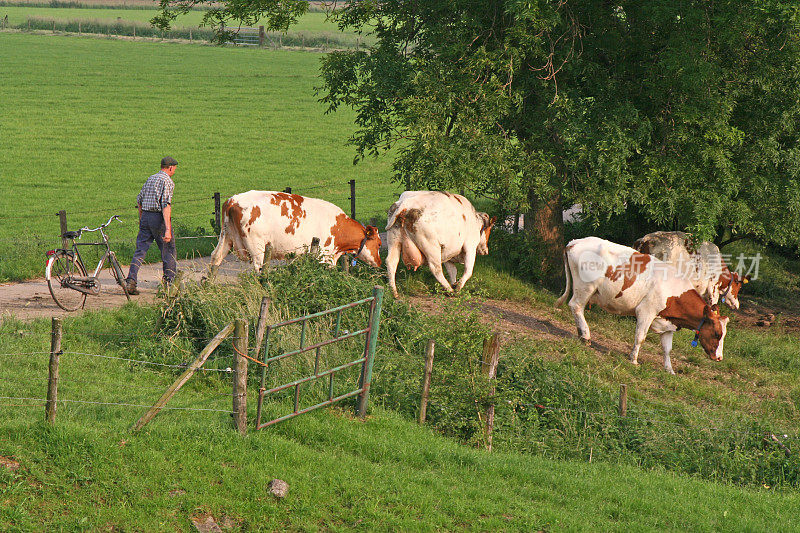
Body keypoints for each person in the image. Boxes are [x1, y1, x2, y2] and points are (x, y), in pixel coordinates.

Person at [125, 157, 178, 295]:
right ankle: (168, 286)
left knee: (140, 251)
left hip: (146, 217)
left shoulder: (151, 178)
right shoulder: (167, 181)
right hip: (158, 218)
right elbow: (165, 204)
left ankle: (131, 281)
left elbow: (139, 200)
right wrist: (167, 229)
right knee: (168, 250)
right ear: (171, 167)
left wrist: (142, 219)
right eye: (175, 168)